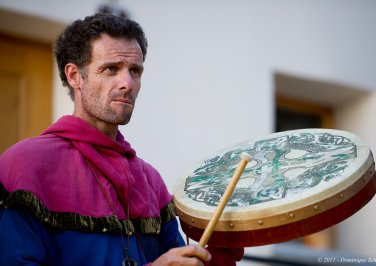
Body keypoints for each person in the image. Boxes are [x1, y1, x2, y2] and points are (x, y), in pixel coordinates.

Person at [0, 14, 243, 265]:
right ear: (74, 76)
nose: (127, 83)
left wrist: (219, 249)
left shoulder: (151, 182)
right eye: (111, 69)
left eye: (134, 71)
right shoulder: (25, 164)